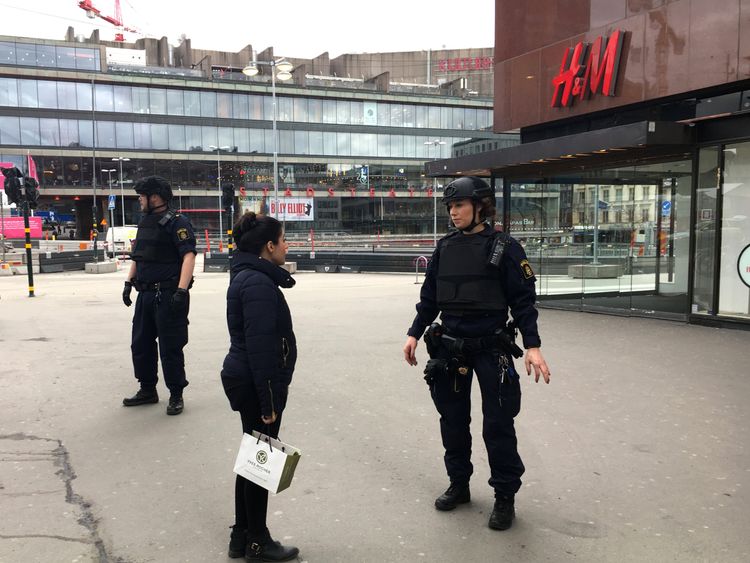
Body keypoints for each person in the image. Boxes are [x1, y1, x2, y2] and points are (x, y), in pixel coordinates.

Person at [402, 176, 551, 531]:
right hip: (450, 346)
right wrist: (414, 333)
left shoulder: (506, 248)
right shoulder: (445, 247)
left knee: (498, 425)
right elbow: (430, 298)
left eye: (460, 205)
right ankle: (459, 484)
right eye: (450, 207)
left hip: (490, 348)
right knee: (452, 422)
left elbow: (524, 302)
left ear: (480, 205)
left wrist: (532, 345)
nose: (453, 212)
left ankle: (504, 496)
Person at [220, 212, 299, 562]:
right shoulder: (258, 284)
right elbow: (262, 348)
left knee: (251, 457)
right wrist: (269, 402)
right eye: (283, 240)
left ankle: (241, 535)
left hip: (246, 379)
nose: (286, 245)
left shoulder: (250, 276)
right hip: (255, 382)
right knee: (259, 463)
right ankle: (257, 541)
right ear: (269, 246)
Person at [121, 176, 196, 416]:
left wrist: (182, 291)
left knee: (170, 346)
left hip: (168, 294)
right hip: (145, 294)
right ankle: (147, 389)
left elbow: (189, 256)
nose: (139, 201)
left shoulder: (178, 222)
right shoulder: (144, 222)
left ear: (155, 197)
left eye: (142, 196)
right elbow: (138, 257)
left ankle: (176, 394)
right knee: (140, 344)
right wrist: (127, 282)